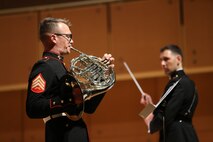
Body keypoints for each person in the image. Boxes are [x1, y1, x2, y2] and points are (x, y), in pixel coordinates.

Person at [26, 17, 115, 142]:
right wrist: (68, 100)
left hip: (74, 130)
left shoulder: (60, 66)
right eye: (68, 36)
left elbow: (89, 108)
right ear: (54, 38)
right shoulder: (45, 66)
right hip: (61, 132)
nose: (72, 41)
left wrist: (102, 76)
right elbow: (33, 107)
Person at [140, 44, 199, 142]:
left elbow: (164, 117)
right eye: (161, 60)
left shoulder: (177, 83)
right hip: (187, 134)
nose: (163, 63)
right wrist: (149, 106)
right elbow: (166, 112)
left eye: (166, 59)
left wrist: (147, 110)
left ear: (178, 59)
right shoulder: (188, 82)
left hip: (178, 135)